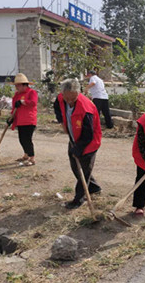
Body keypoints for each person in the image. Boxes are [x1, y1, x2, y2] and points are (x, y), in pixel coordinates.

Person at [54, 78, 103, 209]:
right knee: (75, 167)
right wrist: (62, 122)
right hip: (73, 138)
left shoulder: (86, 108)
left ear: (78, 94)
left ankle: (78, 199)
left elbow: (88, 135)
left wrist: (78, 149)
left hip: (89, 142)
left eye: (73, 99)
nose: (69, 102)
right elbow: (57, 107)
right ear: (63, 94)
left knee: (84, 171)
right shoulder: (61, 98)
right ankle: (94, 187)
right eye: (67, 99)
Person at [7, 73, 38, 166]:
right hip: (20, 121)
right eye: (16, 85)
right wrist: (11, 117)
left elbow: (33, 103)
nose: (16, 87)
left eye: (18, 85)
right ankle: (26, 155)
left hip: (29, 120)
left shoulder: (32, 92)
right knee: (21, 139)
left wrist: (22, 102)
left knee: (27, 140)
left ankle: (32, 158)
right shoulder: (16, 95)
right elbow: (14, 107)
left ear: (24, 85)